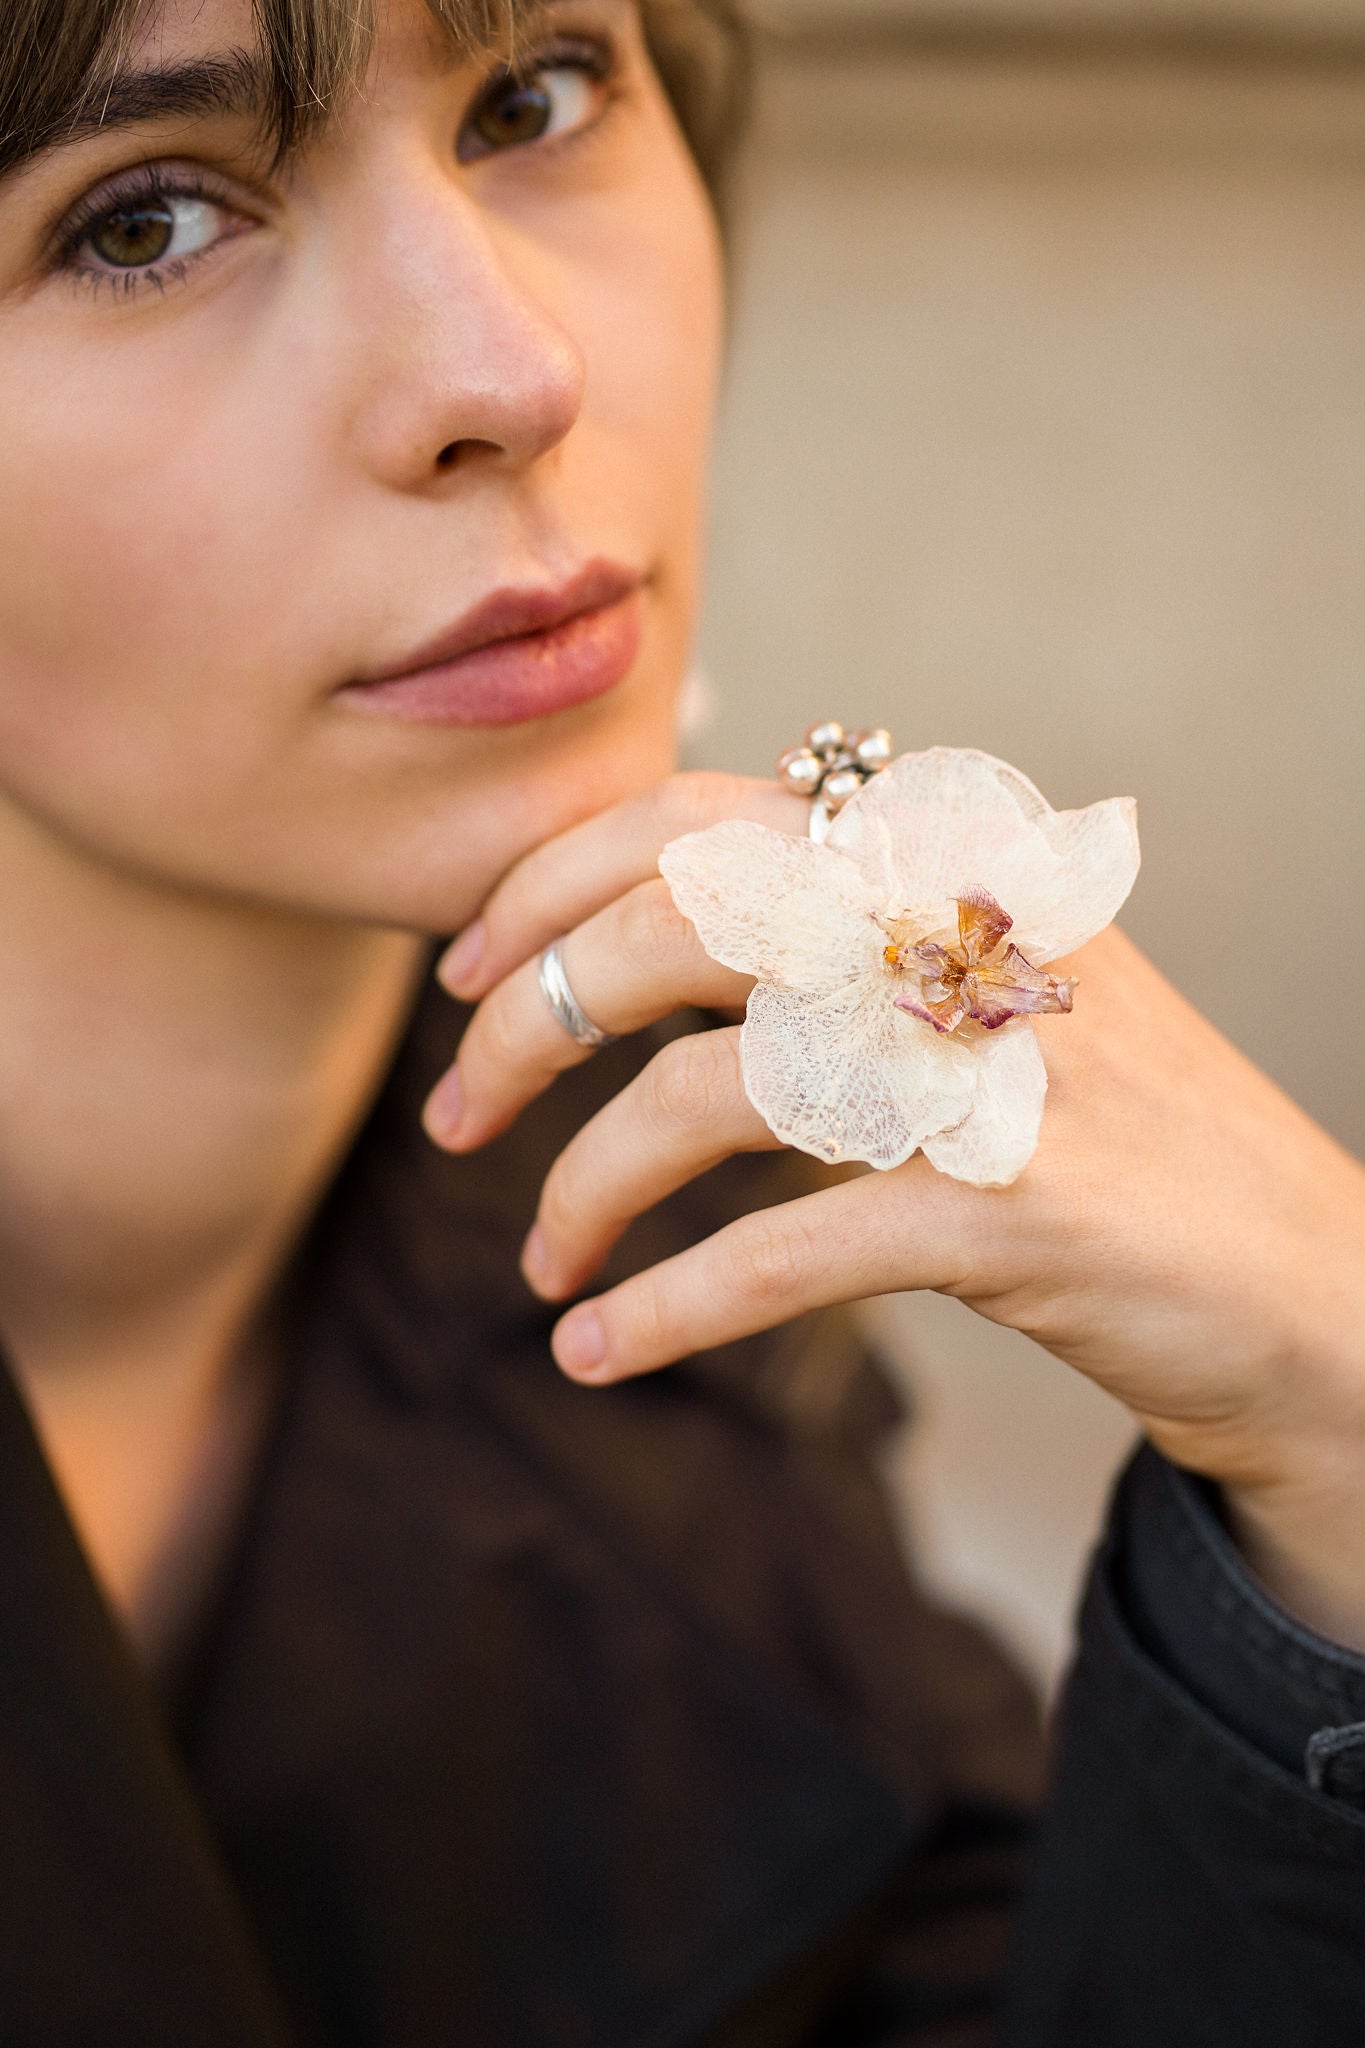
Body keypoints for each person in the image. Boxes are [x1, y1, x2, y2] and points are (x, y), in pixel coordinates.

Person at [1, 0, 1363, 2040]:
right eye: (138, 223)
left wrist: (1332, 1423)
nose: (510, 369)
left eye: (532, 96)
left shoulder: (652, 1208)